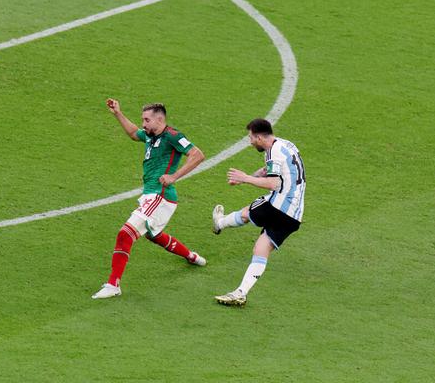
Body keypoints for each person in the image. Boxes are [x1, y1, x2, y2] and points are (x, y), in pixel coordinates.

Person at [92, 98, 207, 299]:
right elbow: (132, 133)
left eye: (146, 120)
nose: (143, 124)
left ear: (159, 119)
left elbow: (197, 155)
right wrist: (118, 113)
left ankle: (113, 285)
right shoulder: (150, 135)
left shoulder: (173, 136)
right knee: (153, 234)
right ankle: (191, 256)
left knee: (125, 233)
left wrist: (174, 176)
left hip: (160, 195)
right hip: (151, 195)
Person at [212, 118, 306, 306]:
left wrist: (245, 178)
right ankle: (241, 292)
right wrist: (250, 177)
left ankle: (219, 223)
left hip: (279, 205)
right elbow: (269, 171)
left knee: (247, 213)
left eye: (251, 137)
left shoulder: (273, 152)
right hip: (294, 214)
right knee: (261, 248)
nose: (250, 141)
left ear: (259, 136)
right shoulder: (285, 145)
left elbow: (273, 183)